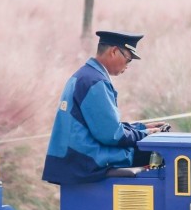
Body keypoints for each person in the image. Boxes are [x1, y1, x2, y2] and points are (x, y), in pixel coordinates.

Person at [42, 30, 169, 185]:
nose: (127, 66)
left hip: (73, 158)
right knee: (160, 154)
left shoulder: (84, 75)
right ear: (114, 51)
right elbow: (111, 135)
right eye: (128, 60)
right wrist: (146, 134)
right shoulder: (95, 82)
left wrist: (142, 127)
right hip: (85, 160)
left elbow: (104, 126)